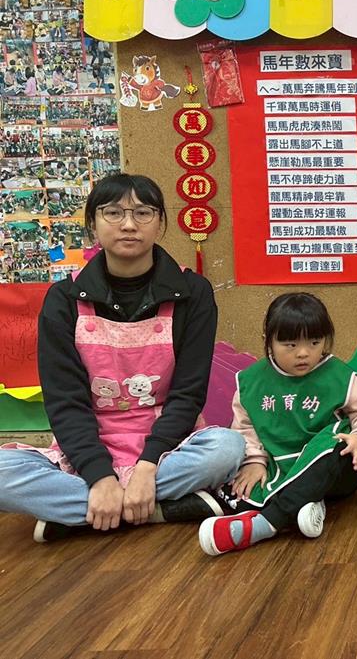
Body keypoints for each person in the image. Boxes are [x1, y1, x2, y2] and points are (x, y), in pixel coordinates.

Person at [0, 173, 245, 542]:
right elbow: (65, 402)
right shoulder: (63, 299)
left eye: (143, 213)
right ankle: (159, 508)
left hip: (168, 446)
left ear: (160, 223)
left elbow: (188, 393)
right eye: (113, 212)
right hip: (87, 445)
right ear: (92, 224)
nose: (129, 224)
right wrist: (99, 476)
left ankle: (81, 515)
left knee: (227, 449)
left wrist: (147, 467)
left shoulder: (192, 292)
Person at [199, 293, 357, 556]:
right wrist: (254, 461)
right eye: (290, 345)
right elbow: (245, 427)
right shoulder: (252, 381)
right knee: (235, 488)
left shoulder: (340, 375)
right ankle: (305, 504)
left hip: (334, 471)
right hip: (279, 468)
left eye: (315, 342)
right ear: (268, 341)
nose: (304, 353)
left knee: (338, 438)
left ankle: (267, 524)